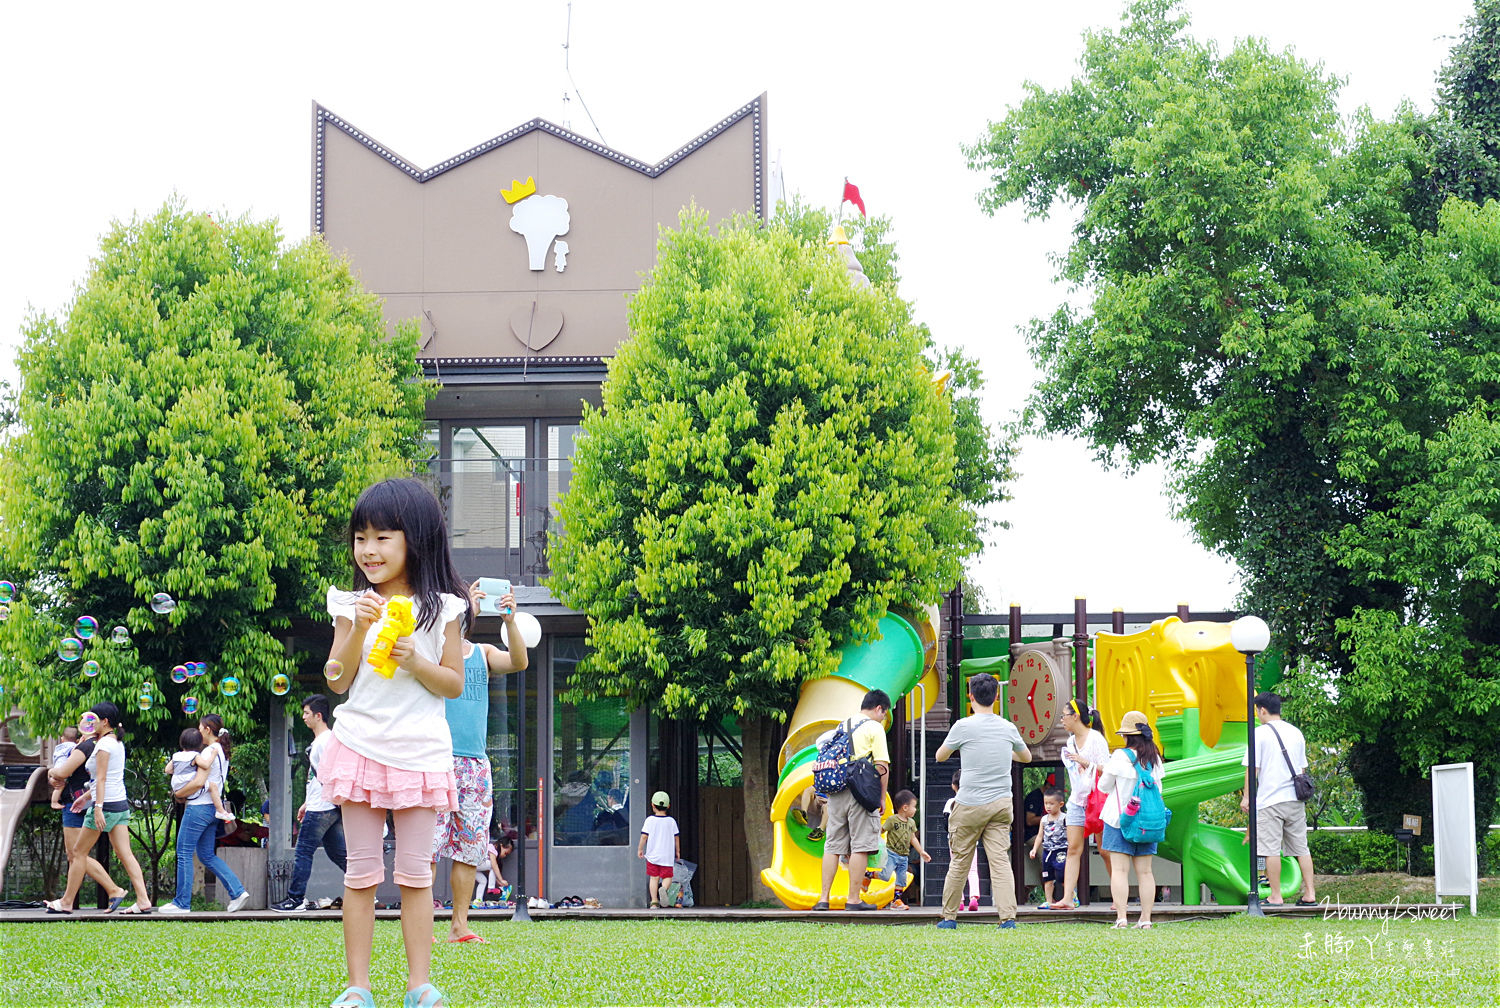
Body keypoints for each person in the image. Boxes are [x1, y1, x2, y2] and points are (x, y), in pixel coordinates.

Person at [322, 477, 470, 1008]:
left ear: (417, 538)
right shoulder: (351, 602)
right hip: (360, 745)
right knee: (361, 872)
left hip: (420, 755)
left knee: (415, 875)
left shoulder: (441, 607)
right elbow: (337, 678)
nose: (369, 550)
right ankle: (357, 987)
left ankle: (418, 985)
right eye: (361, 538)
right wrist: (359, 628)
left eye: (383, 537)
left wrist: (416, 660)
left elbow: (452, 681)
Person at [432, 579, 527, 944]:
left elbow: (519, 660)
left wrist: (510, 621)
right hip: (436, 759)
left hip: (475, 765)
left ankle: (459, 925)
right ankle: (425, 927)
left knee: (469, 849)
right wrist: (462, 608)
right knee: (428, 848)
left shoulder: (483, 653)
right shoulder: (436, 653)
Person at [934, 672, 1032, 930]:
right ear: (997, 697)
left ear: (970, 696)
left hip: (969, 804)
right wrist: (1003, 751)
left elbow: (941, 756)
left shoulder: (963, 726)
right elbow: (1026, 758)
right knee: (999, 862)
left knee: (960, 861)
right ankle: (1008, 919)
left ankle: (949, 918)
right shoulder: (1007, 727)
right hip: (1001, 804)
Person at [44, 702, 154, 914]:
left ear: (104, 722)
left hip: (107, 806)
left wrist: (97, 807)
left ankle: (67, 902)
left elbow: (102, 779)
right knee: (125, 854)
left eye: (93, 719)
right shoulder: (116, 743)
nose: (89, 723)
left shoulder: (103, 746)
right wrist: (85, 797)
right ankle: (143, 900)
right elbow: (107, 778)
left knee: (77, 852)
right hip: (120, 804)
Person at [160, 713, 250, 913]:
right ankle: (237, 891)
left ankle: (182, 903)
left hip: (199, 808)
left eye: (200, 728)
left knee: (183, 852)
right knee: (206, 854)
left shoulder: (210, 750)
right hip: (212, 808)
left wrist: (179, 793)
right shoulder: (220, 749)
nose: (198, 731)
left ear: (207, 730)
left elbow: (200, 782)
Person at [811, 690, 891, 912]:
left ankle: (823, 898)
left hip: (836, 791)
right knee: (861, 845)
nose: (882, 718)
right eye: (884, 714)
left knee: (832, 845)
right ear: (879, 709)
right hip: (861, 790)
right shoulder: (874, 727)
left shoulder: (842, 725)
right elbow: (882, 766)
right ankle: (853, 899)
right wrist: (881, 796)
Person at [272, 695, 348, 913]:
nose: (303, 717)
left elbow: (332, 775)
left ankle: (295, 900)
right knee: (338, 853)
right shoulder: (322, 741)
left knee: (303, 851)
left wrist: (317, 802)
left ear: (318, 715)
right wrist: (306, 802)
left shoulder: (326, 741)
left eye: (306, 713)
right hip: (323, 805)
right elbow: (316, 777)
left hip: (322, 806)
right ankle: (365, 888)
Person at [1240, 691, 1318, 906]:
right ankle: (1310, 893)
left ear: (1262, 710)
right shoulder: (1296, 733)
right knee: (1301, 848)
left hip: (1270, 801)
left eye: (1257, 711)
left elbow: (1252, 769)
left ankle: (1275, 896)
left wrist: (1247, 797)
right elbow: (1301, 769)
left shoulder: (1258, 734)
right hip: (1295, 799)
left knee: (1270, 850)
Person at [1098, 709, 1165, 928]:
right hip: (1147, 823)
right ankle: (1145, 920)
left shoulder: (1119, 756)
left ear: (1127, 735)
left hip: (1120, 820)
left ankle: (1122, 918)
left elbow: (1104, 786)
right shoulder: (1154, 757)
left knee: (1119, 871)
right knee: (1145, 872)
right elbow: (1160, 789)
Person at [1047, 699, 1113, 909]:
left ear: (1075, 716)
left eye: (1064, 716)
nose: (1062, 720)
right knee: (1073, 848)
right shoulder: (1069, 742)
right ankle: (1067, 898)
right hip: (1077, 800)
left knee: (1105, 850)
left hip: (1098, 800)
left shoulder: (1096, 739)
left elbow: (1108, 770)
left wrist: (1087, 763)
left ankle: (1117, 894)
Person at [874, 789, 930, 909]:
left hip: (904, 856)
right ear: (905, 807)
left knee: (901, 879)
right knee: (885, 876)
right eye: (914, 807)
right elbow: (881, 831)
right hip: (891, 854)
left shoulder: (911, 823)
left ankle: (896, 901)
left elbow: (913, 838)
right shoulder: (892, 820)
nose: (915, 809)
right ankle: (868, 875)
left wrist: (921, 851)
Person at [942, 770, 982, 911]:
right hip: (971, 840)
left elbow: (946, 823)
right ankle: (973, 897)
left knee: (956, 869)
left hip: (954, 841)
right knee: (972, 870)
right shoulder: (974, 802)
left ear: (954, 786)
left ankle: (959, 900)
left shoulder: (950, 802)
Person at [637, 791, 680, 908]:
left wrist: (640, 849)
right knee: (667, 877)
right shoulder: (671, 821)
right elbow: (676, 838)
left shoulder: (649, 820)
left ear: (652, 805)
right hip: (667, 856)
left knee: (654, 878)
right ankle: (664, 889)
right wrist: (677, 852)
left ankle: (654, 902)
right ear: (668, 806)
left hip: (653, 856)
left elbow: (644, 836)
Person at [1030, 786, 1068, 904]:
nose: (1048, 806)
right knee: (1047, 877)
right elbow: (1040, 836)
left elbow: (1071, 834)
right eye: (1046, 803)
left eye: (1051, 804)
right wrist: (1034, 849)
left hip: (1061, 850)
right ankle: (1049, 900)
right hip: (1047, 851)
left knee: (1063, 875)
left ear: (1060, 804)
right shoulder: (1044, 819)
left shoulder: (1065, 818)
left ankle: (1070, 896)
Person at [48, 726, 82, 810]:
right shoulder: (73, 747)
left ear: (62, 738)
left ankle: (54, 801)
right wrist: (80, 743)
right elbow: (75, 752)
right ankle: (54, 802)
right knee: (60, 785)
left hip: (57, 768)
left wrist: (51, 774)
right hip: (64, 769)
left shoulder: (59, 748)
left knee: (58, 786)